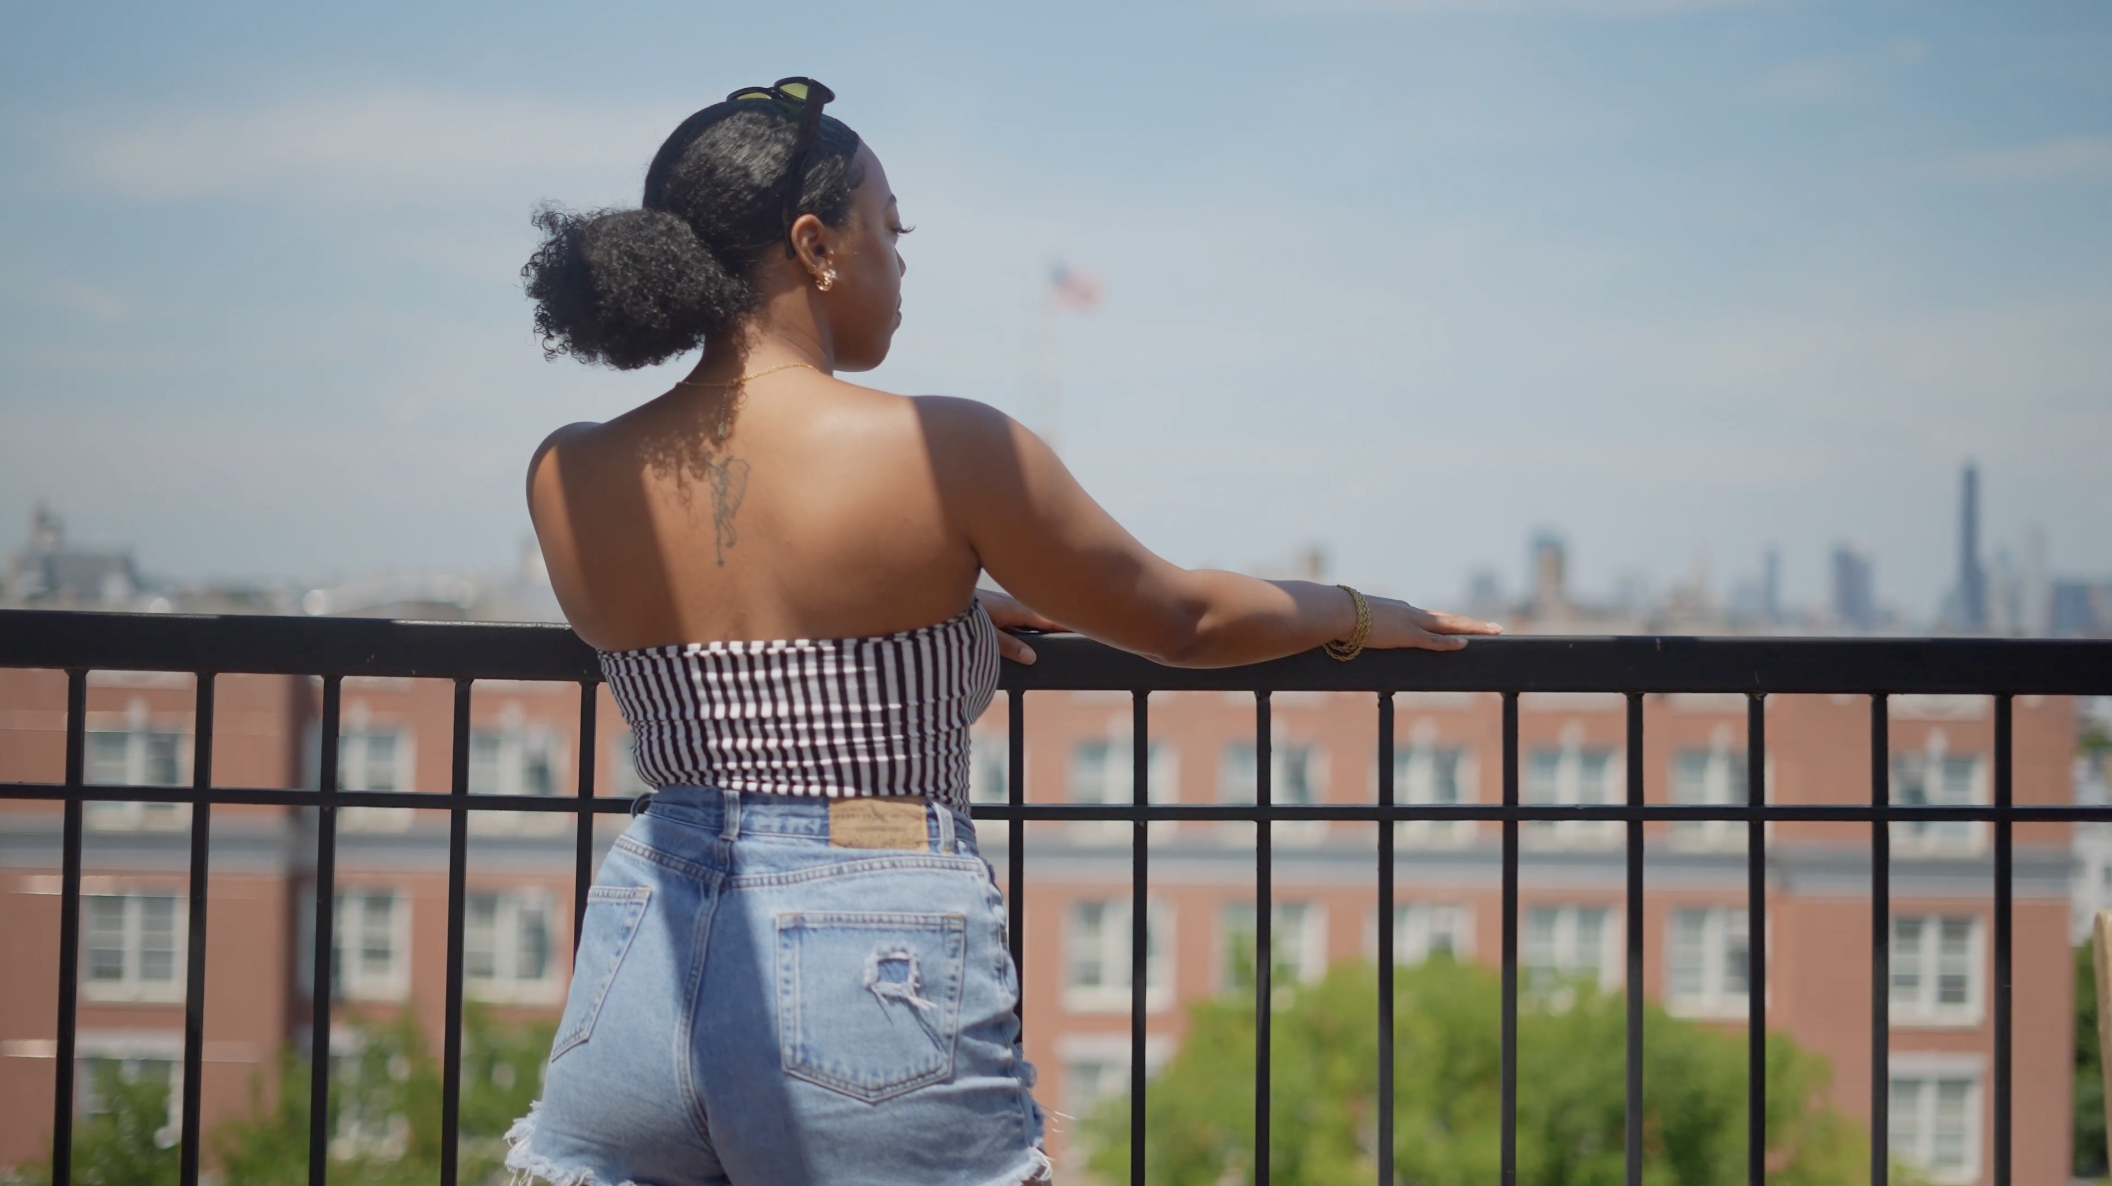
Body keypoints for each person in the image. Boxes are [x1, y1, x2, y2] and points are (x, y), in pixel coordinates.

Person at [505, 77, 1500, 1186]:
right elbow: (1183, 619)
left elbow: (744, 615)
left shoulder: (569, 470)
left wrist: (939, 606)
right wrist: (1355, 611)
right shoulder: (943, 452)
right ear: (815, 246)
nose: (901, 263)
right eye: (891, 229)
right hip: (861, 950)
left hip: (644, 950)